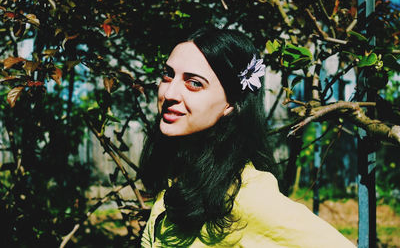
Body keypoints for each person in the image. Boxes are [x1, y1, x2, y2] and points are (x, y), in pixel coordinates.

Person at [139, 27, 355, 247]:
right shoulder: (178, 173)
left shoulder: (245, 196)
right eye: (168, 75)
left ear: (230, 103)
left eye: (194, 83)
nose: (169, 93)